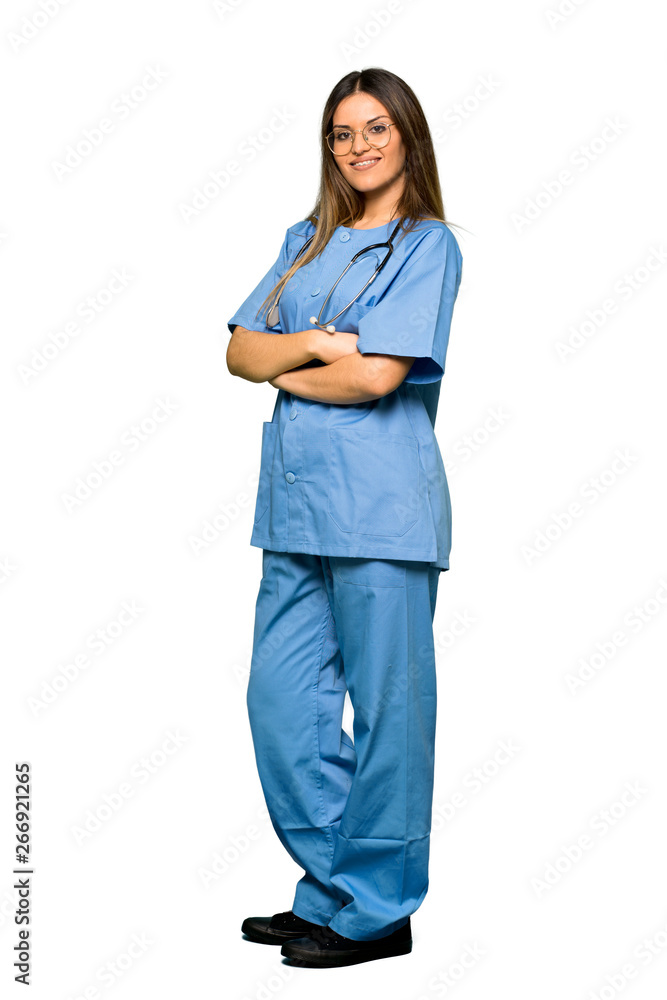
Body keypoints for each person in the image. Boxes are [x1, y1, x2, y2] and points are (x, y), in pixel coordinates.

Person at [226, 67, 463, 968]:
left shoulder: (426, 245)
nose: (357, 145)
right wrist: (319, 345)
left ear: (407, 136)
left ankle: (376, 911)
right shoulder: (307, 238)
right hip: (294, 508)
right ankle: (336, 891)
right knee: (282, 707)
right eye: (340, 132)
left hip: (381, 511)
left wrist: (287, 363)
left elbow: (375, 377)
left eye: (375, 127)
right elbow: (238, 352)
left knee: (389, 717)